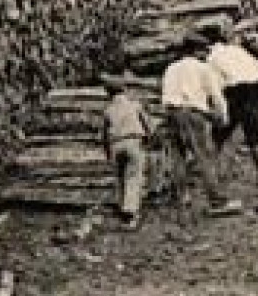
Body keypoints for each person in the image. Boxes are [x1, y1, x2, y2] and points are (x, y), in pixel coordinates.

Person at [160, 35, 233, 213]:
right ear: (196, 51)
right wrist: (223, 116)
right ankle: (217, 201)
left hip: (171, 112)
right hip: (193, 114)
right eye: (203, 51)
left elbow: (165, 95)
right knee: (204, 157)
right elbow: (216, 95)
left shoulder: (171, 68)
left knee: (178, 157)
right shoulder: (202, 68)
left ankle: (182, 197)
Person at [206, 27, 258, 192]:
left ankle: (215, 175)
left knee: (218, 138)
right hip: (253, 92)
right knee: (254, 138)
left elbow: (215, 84)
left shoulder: (213, 57)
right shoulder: (239, 51)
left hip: (233, 95)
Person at [100, 79, 154, 229]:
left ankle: (121, 206)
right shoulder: (135, 105)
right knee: (133, 177)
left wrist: (107, 151)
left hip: (116, 144)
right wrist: (149, 138)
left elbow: (104, 134)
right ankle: (130, 213)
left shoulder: (108, 110)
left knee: (120, 177)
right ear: (123, 90)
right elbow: (147, 125)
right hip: (133, 141)